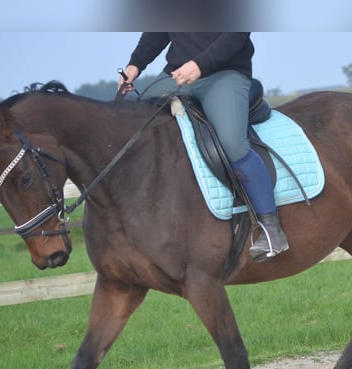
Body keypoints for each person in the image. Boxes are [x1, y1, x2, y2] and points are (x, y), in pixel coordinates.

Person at [119, 33, 289, 261]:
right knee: (135, 127)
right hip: (177, 75)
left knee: (231, 142)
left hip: (224, 74)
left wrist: (199, 65)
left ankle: (271, 228)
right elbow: (157, 32)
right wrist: (135, 65)